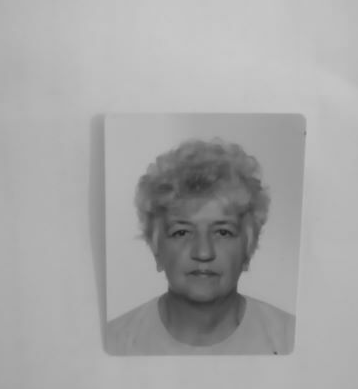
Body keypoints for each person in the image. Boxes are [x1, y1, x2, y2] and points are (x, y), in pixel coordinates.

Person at [106, 138, 295, 355]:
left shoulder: (289, 340)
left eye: (223, 232)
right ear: (156, 246)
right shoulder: (115, 343)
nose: (203, 253)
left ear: (249, 245)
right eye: (182, 232)